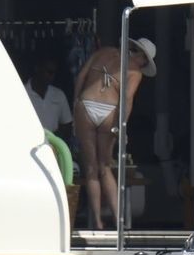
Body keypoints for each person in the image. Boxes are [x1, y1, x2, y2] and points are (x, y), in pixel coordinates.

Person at [71, 37, 157, 229]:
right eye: (145, 62)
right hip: (109, 110)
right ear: (143, 57)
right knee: (104, 167)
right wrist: (122, 125)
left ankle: (98, 222)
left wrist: (76, 102)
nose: (143, 66)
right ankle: (119, 221)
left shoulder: (104, 52)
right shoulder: (135, 72)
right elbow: (127, 99)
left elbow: (82, 76)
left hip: (86, 104)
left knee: (91, 168)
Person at [23, 53, 72, 139]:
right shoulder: (22, 93)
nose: (52, 76)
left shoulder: (59, 95)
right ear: (37, 69)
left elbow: (67, 124)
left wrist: (55, 140)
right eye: (49, 72)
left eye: (54, 73)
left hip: (53, 144)